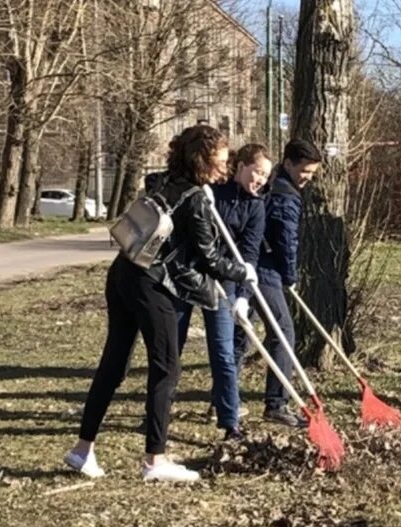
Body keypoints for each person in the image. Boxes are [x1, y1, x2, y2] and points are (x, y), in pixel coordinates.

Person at [64, 125, 257, 482]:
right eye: (220, 162)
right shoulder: (196, 199)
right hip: (151, 285)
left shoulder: (160, 182)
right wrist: (243, 271)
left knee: (114, 364)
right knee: (166, 367)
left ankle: (82, 450)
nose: (224, 169)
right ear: (201, 160)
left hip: (123, 272)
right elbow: (210, 259)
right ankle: (156, 460)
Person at [176, 144, 271, 441]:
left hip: (226, 282)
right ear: (240, 166)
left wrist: (243, 295)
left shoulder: (256, 206)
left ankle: (229, 421)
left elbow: (249, 253)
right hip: (190, 275)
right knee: (170, 348)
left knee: (223, 351)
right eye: (257, 171)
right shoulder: (213, 191)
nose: (261, 180)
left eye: (266, 176)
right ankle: (156, 412)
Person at [234, 139, 322, 427]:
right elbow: (286, 240)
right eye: (304, 172)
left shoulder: (269, 184)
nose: (307, 179)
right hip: (265, 269)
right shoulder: (286, 196)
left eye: (312, 174)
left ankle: (225, 399)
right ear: (287, 164)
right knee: (283, 332)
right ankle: (276, 403)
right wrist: (290, 275)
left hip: (247, 263)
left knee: (241, 332)